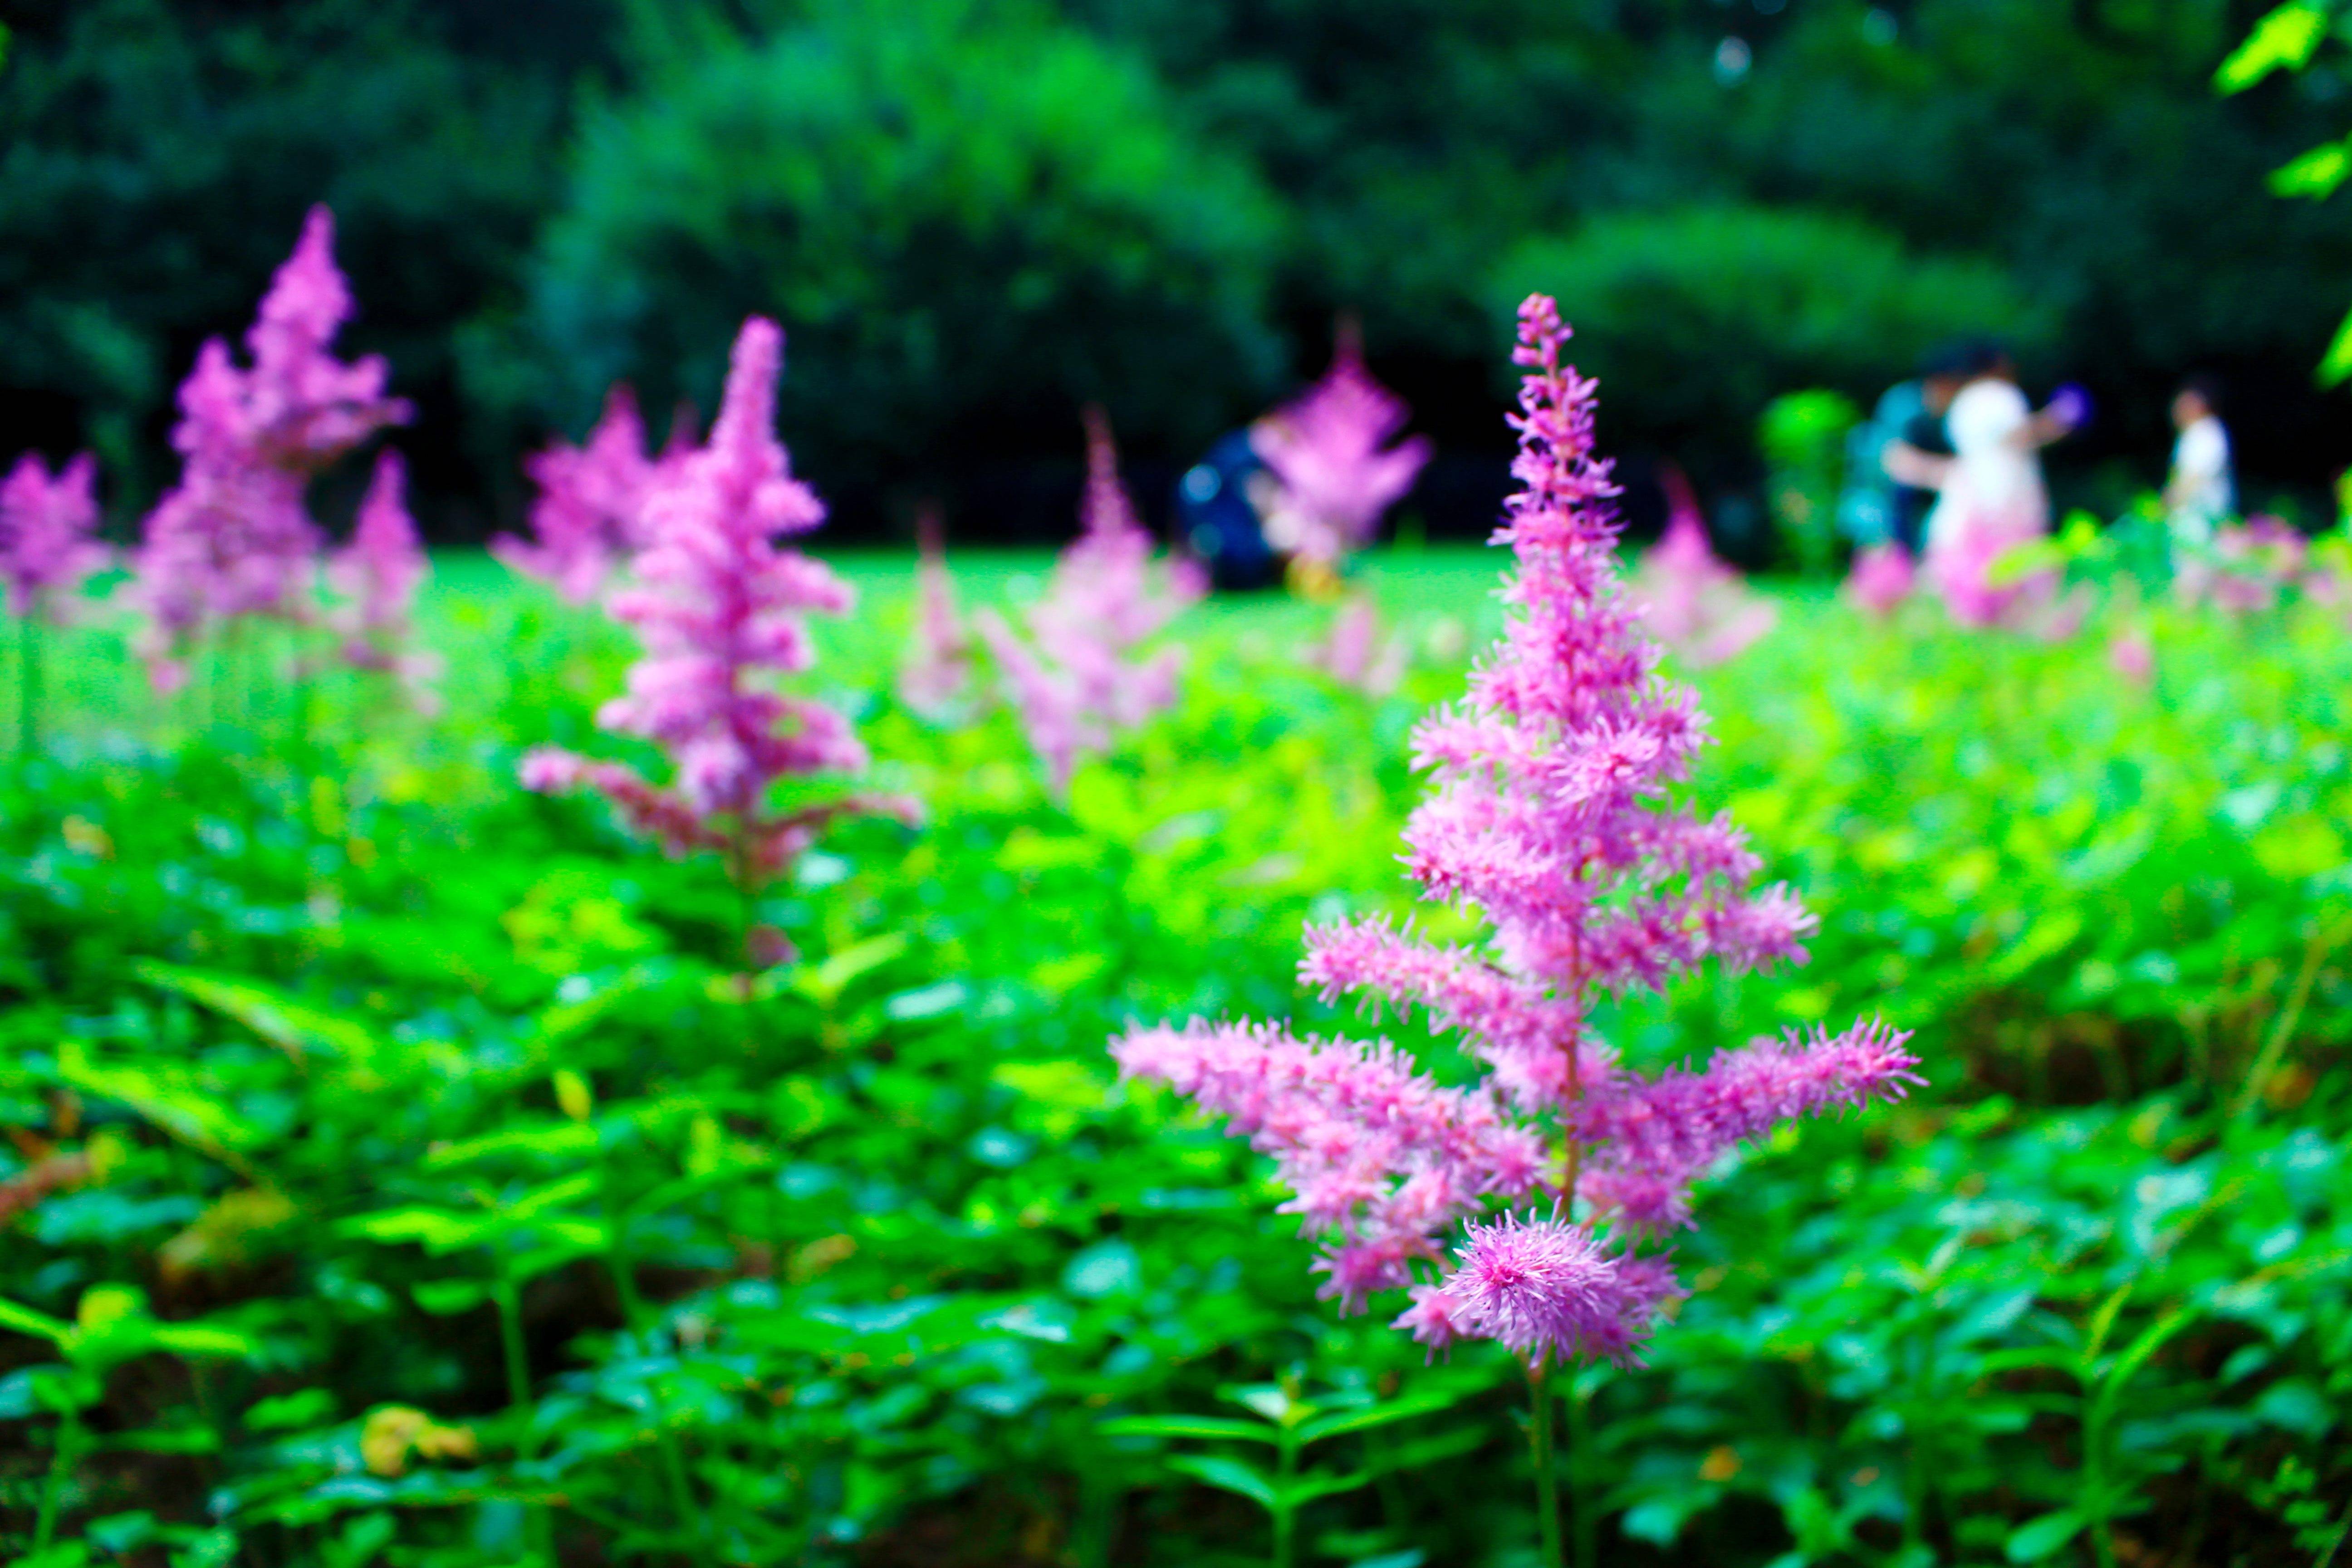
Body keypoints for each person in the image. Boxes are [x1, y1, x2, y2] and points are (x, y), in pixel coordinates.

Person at [1888, 343, 2084, 622]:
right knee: (2018, 587)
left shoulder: (1964, 404)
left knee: (1972, 590)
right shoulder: (1995, 395)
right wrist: (2060, 419)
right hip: (2006, 503)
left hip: (1975, 503)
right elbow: (2018, 435)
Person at [1843, 347, 1967, 554]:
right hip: (1879, 498)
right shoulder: (1905, 403)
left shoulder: (1949, 414)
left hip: (1917, 500)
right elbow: (1895, 461)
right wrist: (1947, 474)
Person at [2162, 374, 2234, 547]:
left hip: (2202, 517)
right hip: (2190, 516)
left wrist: (2169, 503)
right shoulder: (2192, 433)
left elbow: (2194, 476)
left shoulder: (2207, 432)